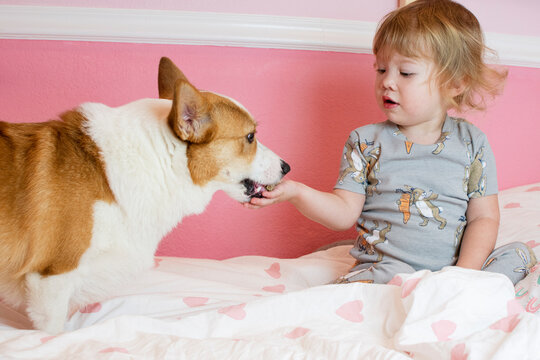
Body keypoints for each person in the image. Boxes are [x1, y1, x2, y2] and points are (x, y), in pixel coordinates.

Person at [245, 0, 537, 285]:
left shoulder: (473, 142)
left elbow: (484, 218)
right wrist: (297, 192)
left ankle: (451, 296)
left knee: (520, 256)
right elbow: (344, 212)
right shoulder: (366, 141)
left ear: (455, 84)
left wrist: (464, 274)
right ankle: (397, 295)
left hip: (453, 272)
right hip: (390, 270)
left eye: (406, 72)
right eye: (381, 70)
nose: (387, 81)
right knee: (384, 274)